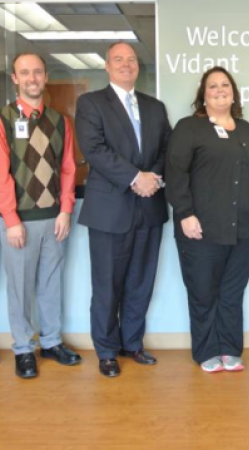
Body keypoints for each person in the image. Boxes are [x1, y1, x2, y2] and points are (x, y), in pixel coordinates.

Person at [75, 42, 171, 378]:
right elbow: (95, 150)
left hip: (149, 208)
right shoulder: (90, 103)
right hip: (109, 210)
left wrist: (152, 178)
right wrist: (135, 177)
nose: (126, 64)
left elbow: (166, 150)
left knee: (140, 282)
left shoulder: (155, 107)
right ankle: (106, 350)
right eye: (119, 59)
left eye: (131, 59)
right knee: (107, 284)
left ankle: (133, 343)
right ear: (107, 66)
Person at [166, 66, 249, 373]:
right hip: (202, 227)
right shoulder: (188, 128)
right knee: (203, 291)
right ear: (203, 94)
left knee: (232, 292)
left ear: (234, 92)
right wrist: (184, 214)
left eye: (225, 85)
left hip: (243, 228)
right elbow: (175, 174)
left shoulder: (248, 130)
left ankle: (230, 348)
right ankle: (207, 350)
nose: (220, 90)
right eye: (213, 86)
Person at [0, 53, 81, 379]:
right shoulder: (4, 119)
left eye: (37, 72)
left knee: (50, 284)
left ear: (45, 76)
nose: (32, 78)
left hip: (54, 219)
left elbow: (67, 169)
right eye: (25, 73)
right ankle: (23, 349)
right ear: (15, 79)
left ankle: (50, 342)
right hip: (19, 221)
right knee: (20, 288)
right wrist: (11, 219)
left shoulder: (60, 121)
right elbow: (1, 174)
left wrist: (65, 210)